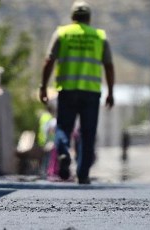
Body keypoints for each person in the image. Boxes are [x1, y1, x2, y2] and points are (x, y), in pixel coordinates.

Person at [39, 0, 115, 184]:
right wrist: (110, 92)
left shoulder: (62, 33)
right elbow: (109, 66)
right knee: (88, 133)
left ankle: (64, 153)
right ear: (89, 18)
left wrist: (43, 86)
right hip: (91, 93)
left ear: (72, 17)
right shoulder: (99, 36)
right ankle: (83, 173)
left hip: (67, 91)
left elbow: (49, 61)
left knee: (64, 128)